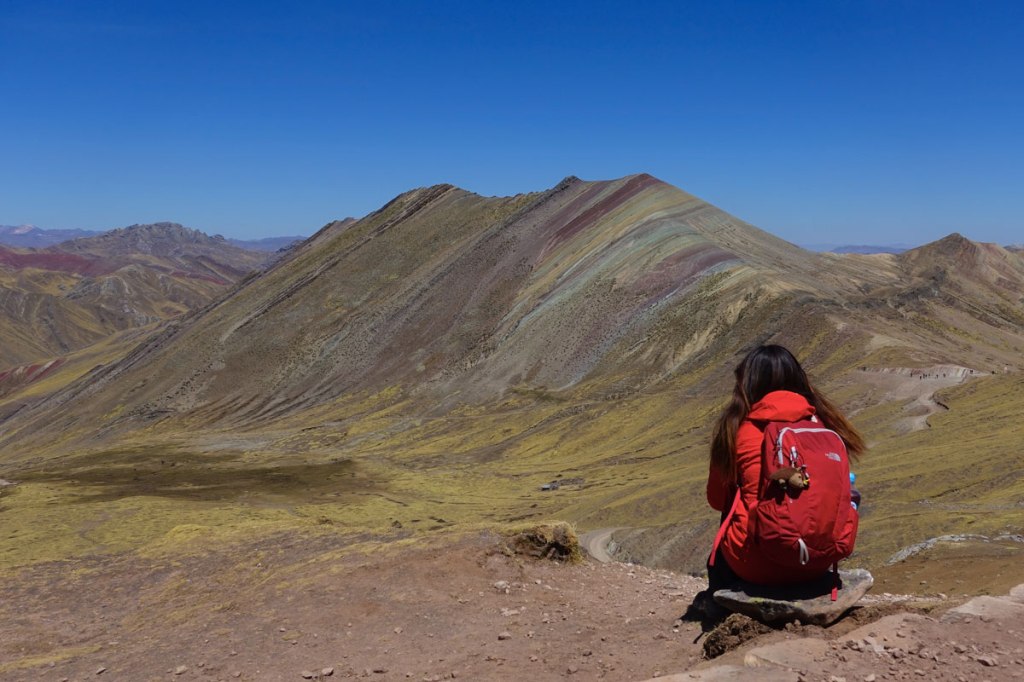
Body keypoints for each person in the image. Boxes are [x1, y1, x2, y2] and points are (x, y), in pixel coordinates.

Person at [705, 344, 865, 591]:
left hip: (753, 566)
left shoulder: (736, 430)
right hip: (816, 561)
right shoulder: (822, 426)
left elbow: (716, 500)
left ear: (746, 385)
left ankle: (719, 598)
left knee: (732, 501)